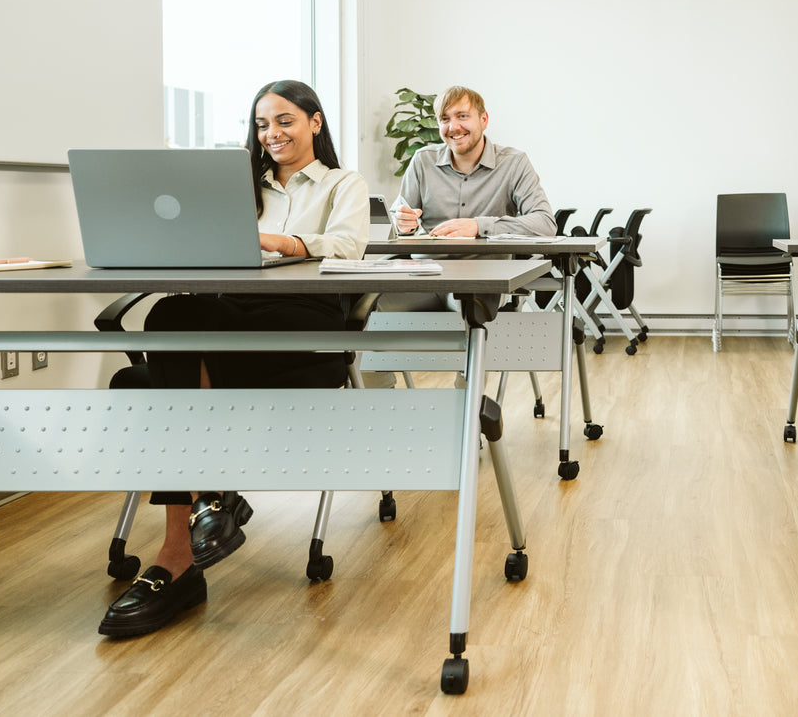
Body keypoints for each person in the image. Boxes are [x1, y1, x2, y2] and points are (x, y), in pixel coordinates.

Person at [99, 80, 369, 638]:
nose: (272, 133)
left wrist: (273, 241)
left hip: (303, 324)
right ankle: (209, 505)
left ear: (315, 123)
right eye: (263, 124)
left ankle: (177, 558)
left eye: (285, 121)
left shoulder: (344, 183)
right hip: (233, 317)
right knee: (168, 318)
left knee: (159, 380)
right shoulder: (241, 185)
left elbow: (347, 246)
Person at [382, 85, 554, 315]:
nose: (453, 127)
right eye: (445, 119)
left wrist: (478, 225)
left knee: (467, 305)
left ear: (484, 119)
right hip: (426, 275)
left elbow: (545, 223)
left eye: (462, 116)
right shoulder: (422, 161)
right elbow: (396, 220)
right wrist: (402, 223)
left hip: (485, 279)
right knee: (367, 306)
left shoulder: (514, 163)